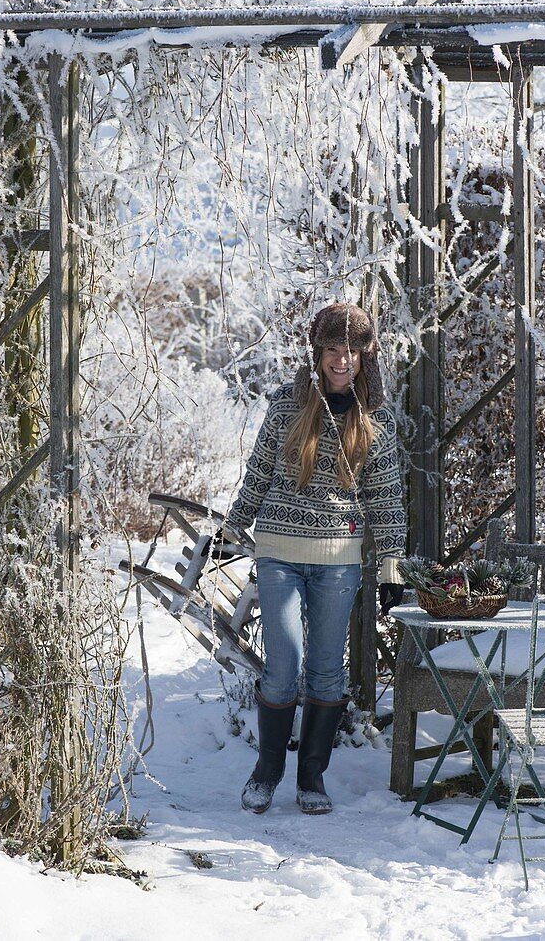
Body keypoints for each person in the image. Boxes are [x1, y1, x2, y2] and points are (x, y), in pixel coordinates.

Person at [224, 302, 406, 815]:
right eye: (333, 349)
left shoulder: (377, 420)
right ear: (318, 352)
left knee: (327, 670)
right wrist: (234, 524)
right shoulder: (287, 405)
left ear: (365, 355)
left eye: (351, 350)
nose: (341, 360)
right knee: (284, 665)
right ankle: (267, 771)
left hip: (338, 559)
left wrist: (391, 569)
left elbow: (387, 498)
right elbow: (259, 468)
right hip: (279, 551)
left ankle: (312, 779)